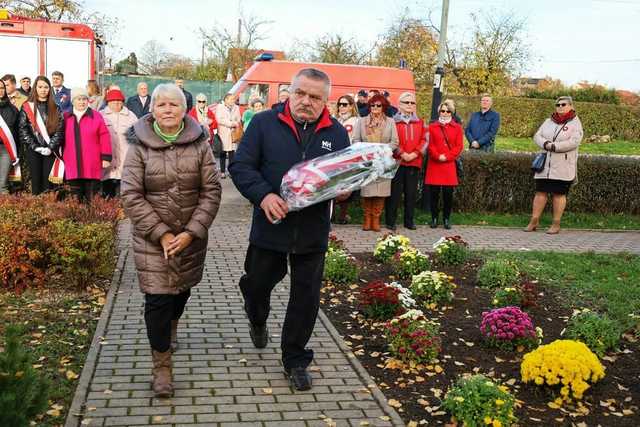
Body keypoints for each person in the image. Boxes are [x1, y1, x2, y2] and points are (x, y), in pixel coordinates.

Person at [229, 68, 350, 391]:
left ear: (327, 100)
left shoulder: (337, 133)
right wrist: (264, 195)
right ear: (290, 91)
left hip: (312, 232)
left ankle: (295, 359)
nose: (306, 101)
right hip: (270, 226)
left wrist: (345, 189)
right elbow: (240, 166)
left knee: (305, 298)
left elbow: (342, 176)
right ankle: (257, 317)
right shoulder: (265, 124)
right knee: (256, 285)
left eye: (315, 97)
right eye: (301, 93)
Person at [121, 83, 221, 398]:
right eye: (161, 104)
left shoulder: (200, 143)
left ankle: (174, 323)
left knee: (181, 291)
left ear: (184, 109)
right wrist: (162, 233)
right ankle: (162, 367)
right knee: (157, 300)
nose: (167, 110)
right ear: (152, 109)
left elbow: (212, 191)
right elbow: (131, 194)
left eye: (173, 105)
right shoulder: (139, 146)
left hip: (190, 238)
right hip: (152, 239)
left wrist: (191, 232)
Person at [525, 96, 583, 235]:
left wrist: (554, 146)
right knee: (540, 192)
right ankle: (534, 220)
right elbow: (537, 136)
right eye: (558, 105)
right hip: (545, 165)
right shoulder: (548, 121)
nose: (560, 107)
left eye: (563, 104)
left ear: (571, 106)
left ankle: (556, 224)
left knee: (559, 194)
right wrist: (545, 144)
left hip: (563, 165)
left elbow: (574, 141)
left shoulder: (575, 123)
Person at [352, 93, 399, 232]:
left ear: (383, 107)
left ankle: (376, 219)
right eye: (372, 105)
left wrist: (383, 150)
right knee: (367, 190)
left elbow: (395, 142)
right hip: (368, 161)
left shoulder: (390, 122)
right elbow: (355, 140)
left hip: (384, 161)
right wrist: (367, 151)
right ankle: (367, 218)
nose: (375, 107)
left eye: (378, 105)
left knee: (381, 191)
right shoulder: (361, 121)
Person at [62, 87, 112, 203]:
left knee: (92, 197)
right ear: (73, 101)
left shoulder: (96, 116)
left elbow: (104, 136)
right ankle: (76, 219)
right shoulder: (66, 117)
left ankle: (91, 219)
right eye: (78, 99)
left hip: (92, 163)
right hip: (72, 163)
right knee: (75, 198)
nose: (81, 102)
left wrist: (106, 157)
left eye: (84, 99)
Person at [385, 92, 427, 230]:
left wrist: (415, 154)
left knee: (411, 194)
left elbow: (425, 140)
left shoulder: (420, 122)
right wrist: (402, 153)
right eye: (406, 102)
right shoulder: (392, 121)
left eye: (412, 103)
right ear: (399, 104)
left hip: (414, 162)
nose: (410, 105)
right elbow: (391, 140)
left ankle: (409, 221)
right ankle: (390, 221)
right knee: (394, 195)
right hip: (397, 162)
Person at [18, 76, 64, 195]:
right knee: (36, 180)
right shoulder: (27, 106)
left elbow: (60, 130)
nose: (43, 90)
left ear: (50, 89)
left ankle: (48, 208)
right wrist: (35, 147)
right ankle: (37, 208)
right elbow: (23, 129)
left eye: (46, 87)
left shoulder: (56, 107)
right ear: (35, 88)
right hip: (33, 150)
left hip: (50, 150)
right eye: (40, 87)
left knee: (48, 183)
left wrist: (50, 147)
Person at [425, 101, 463, 229]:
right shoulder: (432, 126)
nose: (445, 113)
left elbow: (459, 147)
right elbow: (430, 145)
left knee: (448, 195)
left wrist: (446, 156)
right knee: (434, 194)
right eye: (443, 111)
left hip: (448, 165)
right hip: (435, 164)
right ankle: (434, 218)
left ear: (451, 113)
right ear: (439, 112)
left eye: (448, 111)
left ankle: (446, 218)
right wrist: (437, 155)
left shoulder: (457, 127)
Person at [101, 89, 138, 198]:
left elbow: (137, 136)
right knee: (106, 188)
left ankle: (121, 211)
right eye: (113, 101)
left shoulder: (131, 116)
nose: (116, 103)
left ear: (123, 102)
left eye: (119, 101)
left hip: (125, 156)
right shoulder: (101, 115)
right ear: (108, 102)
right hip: (107, 158)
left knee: (123, 189)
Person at [332, 94, 359, 224]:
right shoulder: (334, 120)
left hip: (349, 158)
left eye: (345, 105)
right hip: (334, 158)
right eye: (340, 104)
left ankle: (343, 215)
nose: (342, 107)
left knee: (346, 187)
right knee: (333, 186)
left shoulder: (356, 121)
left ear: (351, 106)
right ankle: (331, 214)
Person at [0, 80, 20, 193]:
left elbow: (17, 132)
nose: (0, 90)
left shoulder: (13, 109)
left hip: (6, 150)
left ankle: (4, 209)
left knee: (2, 184)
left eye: (2, 87)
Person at [215, 93, 241, 178]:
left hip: (233, 133)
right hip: (223, 133)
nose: (232, 101)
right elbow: (219, 119)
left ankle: (231, 171)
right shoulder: (220, 107)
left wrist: (236, 123)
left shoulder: (236, 107)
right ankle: (222, 172)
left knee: (232, 154)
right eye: (230, 99)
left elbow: (239, 118)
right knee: (223, 152)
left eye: (233, 99)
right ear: (226, 100)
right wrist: (230, 123)